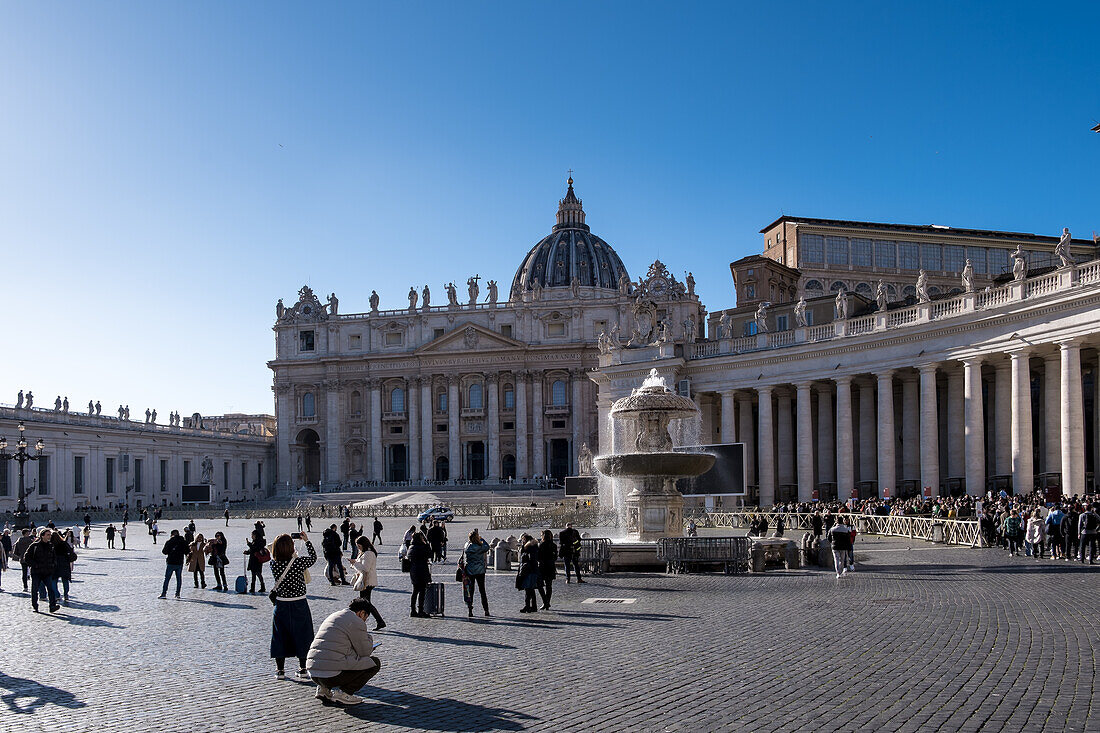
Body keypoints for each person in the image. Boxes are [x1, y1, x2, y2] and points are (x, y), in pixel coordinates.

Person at [306, 598, 383, 705]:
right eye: (366, 617)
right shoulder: (356, 622)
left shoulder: (334, 616)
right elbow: (365, 652)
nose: (365, 621)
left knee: (334, 655)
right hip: (331, 675)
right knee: (374, 663)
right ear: (361, 613)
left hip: (313, 672)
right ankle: (344, 693)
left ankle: (323, 689)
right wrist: (368, 638)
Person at [269, 532, 318, 680]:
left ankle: (280, 670)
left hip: (282, 603)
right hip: (299, 602)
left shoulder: (274, 564)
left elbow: (272, 551)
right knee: (303, 634)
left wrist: (279, 544)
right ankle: (303, 668)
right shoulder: (299, 562)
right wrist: (307, 541)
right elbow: (313, 558)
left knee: (280, 636)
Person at [349, 536, 386, 630]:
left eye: (359, 546)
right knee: (365, 603)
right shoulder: (365, 553)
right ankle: (377, 621)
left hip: (367, 581)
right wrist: (354, 564)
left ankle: (377, 621)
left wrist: (355, 563)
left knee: (366, 604)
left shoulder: (368, 554)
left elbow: (365, 568)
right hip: (365, 580)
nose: (358, 548)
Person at [24, 528, 59, 613]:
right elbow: (27, 557)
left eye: (50, 535)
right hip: (37, 572)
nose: (49, 536)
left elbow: (54, 557)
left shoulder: (51, 546)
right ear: (42, 536)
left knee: (50, 589)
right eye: (48, 535)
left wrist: (53, 565)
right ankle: (35, 606)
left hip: (47, 572)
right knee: (35, 589)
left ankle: (52, 606)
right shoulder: (34, 546)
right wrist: (34, 565)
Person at [461, 529, 491, 617]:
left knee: (471, 591)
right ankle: (486, 610)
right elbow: (487, 546)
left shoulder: (467, 546)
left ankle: (470, 610)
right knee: (482, 590)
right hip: (480, 570)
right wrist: (481, 539)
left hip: (470, 570)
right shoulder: (480, 546)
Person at [407, 532, 431, 618]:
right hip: (422, 571)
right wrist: (426, 544)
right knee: (422, 592)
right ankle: (421, 610)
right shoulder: (422, 547)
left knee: (415, 591)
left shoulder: (411, 547)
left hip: (413, 571)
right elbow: (430, 554)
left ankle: (413, 610)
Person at [159, 529, 189, 599]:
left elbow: (164, 552)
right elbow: (187, 551)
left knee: (167, 579)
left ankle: (164, 593)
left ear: (172, 534)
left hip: (171, 562)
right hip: (179, 562)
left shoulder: (169, 542)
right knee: (178, 579)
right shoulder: (183, 542)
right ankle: (177, 593)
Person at [516, 536, 540, 613]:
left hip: (528, 571)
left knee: (528, 589)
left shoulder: (528, 549)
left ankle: (527, 606)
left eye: (523, 540)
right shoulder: (534, 548)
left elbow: (526, 560)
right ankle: (533, 606)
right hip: (533, 571)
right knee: (531, 590)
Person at [51, 531, 77, 604]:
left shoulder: (50, 545)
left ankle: (57, 594)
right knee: (65, 580)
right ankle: (66, 594)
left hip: (54, 564)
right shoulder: (64, 543)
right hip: (64, 563)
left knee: (54, 580)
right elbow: (71, 552)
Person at [537, 530, 558, 611]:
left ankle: (545, 602)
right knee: (549, 586)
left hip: (542, 567)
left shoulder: (541, 545)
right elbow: (555, 557)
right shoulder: (553, 545)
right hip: (551, 567)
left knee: (539, 585)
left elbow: (538, 557)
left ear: (543, 536)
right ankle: (547, 602)